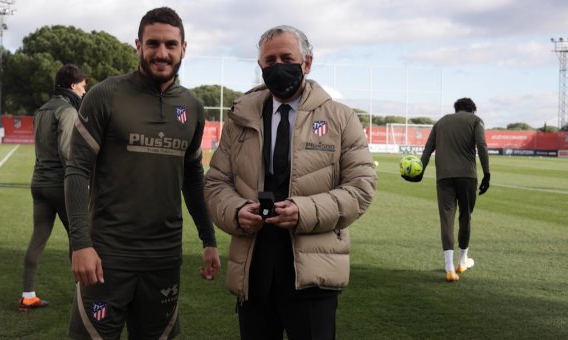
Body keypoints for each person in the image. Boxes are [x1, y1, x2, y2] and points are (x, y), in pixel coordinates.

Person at [204, 25, 377, 340]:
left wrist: (304, 211)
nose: (278, 66)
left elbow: (361, 187)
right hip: (253, 273)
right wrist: (236, 211)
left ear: (307, 63)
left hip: (312, 275)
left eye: (287, 57)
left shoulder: (340, 118)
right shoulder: (240, 118)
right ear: (260, 67)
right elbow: (216, 183)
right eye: (269, 61)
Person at [64, 7, 220, 339]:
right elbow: (77, 170)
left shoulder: (192, 107)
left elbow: (193, 177)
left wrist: (209, 240)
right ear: (138, 46)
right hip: (107, 257)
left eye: (170, 45)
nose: (161, 53)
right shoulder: (106, 95)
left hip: (164, 260)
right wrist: (80, 243)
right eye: (152, 44)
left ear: (183, 48)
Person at [19, 63, 87, 312]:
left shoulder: (42, 109)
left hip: (38, 183)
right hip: (60, 184)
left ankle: (27, 295)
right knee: (79, 238)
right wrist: (81, 183)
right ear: (72, 85)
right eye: (82, 86)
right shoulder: (67, 111)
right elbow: (68, 153)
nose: (84, 91)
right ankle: (82, 297)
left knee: (38, 238)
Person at [403, 97, 490, 282]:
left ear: (456, 109)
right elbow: (481, 146)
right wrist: (487, 174)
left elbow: (428, 149)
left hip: (443, 177)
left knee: (447, 219)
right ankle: (462, 261)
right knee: (465, 217)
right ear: (472, 110)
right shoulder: (476, 121)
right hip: (467, 176)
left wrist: (418, 173)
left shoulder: (441, 122)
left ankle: (449, 267)